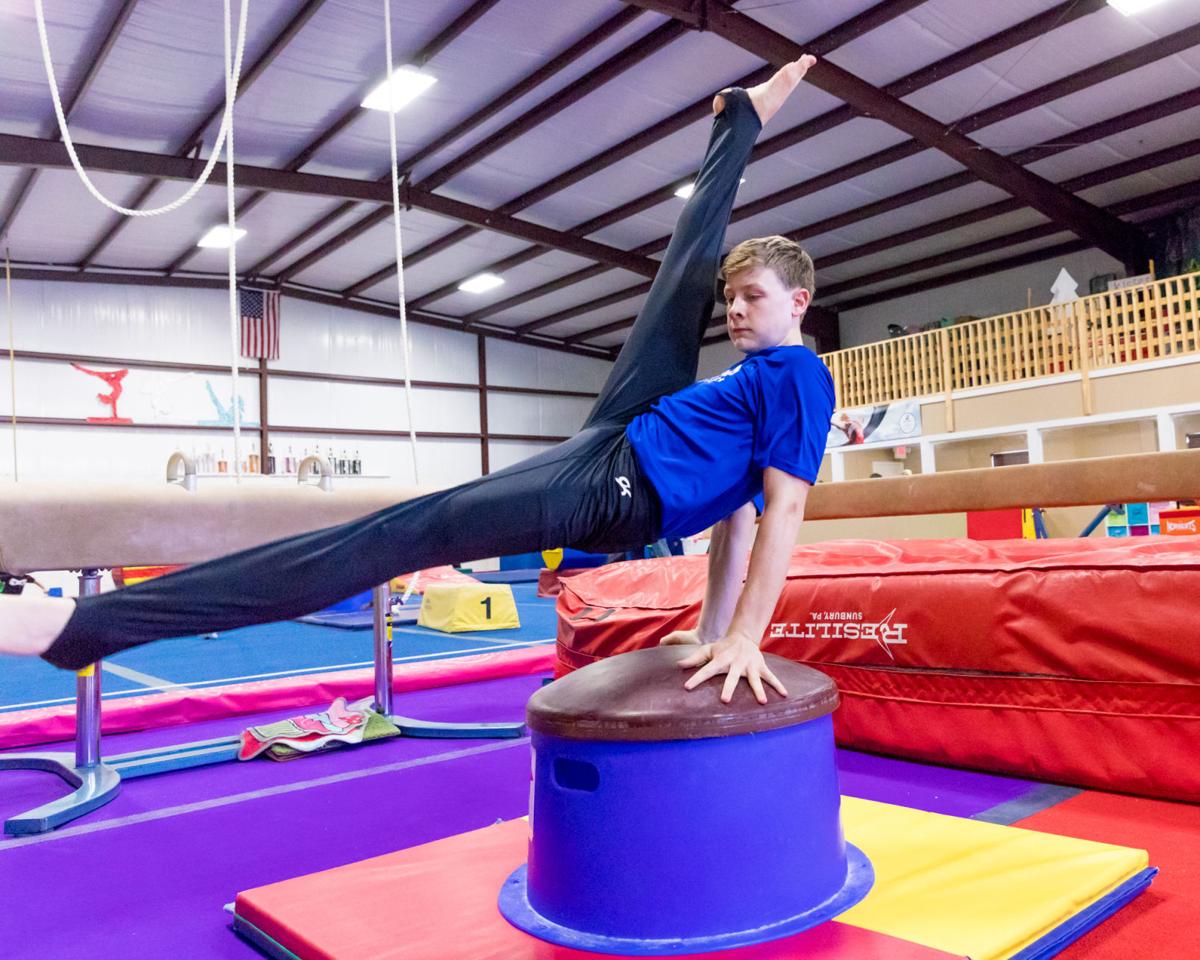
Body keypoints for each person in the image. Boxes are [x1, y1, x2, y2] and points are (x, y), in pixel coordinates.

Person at [1, 56, 834, 705]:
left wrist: (744, 639)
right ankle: (740, 123)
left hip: (615, 483)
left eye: (752, 298)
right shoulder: (757, 373)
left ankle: (86, 627)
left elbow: (777, 513)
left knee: (394, 535)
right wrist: (709, 631)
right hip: (631, 429)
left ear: (798, 302)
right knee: (677, 283)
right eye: (734, 298)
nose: (734, 311)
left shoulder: (797, 374)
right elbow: (731, 516)